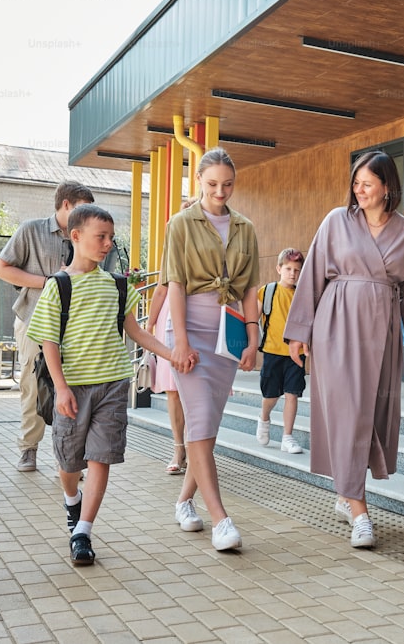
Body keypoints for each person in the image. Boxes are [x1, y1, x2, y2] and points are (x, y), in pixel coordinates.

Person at [284, 150, 404, 549]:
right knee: (349, 414)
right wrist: (299, 331)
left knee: (368, 416)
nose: (359, 191)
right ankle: (360, 513)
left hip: (382, 333)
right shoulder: (336, 221)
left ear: (388, 187)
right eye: (356, 183)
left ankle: (346, 490)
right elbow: (311, 277)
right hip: (335, 326)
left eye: (367, 184)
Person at [27, 204, 181, 565]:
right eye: (101, 237)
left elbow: (136, 331)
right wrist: (61, 388)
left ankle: (82, 532)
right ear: (76, 236)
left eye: (111, 238)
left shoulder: (117, 284)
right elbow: (48, 342)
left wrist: (172, 354)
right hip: (73, 388)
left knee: (101, 458)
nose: (108, 244)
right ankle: (71, 501)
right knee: (70, 462)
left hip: (113, 385)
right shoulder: (58, 286)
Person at [164, 147, 260, 551]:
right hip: (189, 329)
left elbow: (252, 288)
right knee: (200, 419)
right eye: (212, 184)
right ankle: (221, 520)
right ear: (198, 182)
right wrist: (180, 342)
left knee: (208, 428)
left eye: (227, 184)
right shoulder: (180, 224)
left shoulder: (246, 228)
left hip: (229, 333)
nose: (220, 192)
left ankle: (184, 501)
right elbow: (175, 284)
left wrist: (254, 337)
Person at [0, 181, 95, 471]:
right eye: (81, 208)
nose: (87, 215)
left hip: (75, 327)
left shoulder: (86, 235)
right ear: (66, 205)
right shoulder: (31, 229)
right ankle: (28, 449)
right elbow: (2, 268)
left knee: (74, 389)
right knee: (33, 386)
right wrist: (51, 281)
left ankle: (69, 458)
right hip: (34, 322)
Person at [146, 198, 196, 475]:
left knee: (198, 389)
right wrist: (151, 325)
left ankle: (196, 448)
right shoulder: (172, 251)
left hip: (201, 316)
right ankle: (178, 447)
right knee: (174, 390)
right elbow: (162, 289)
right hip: (170, 320)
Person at [255, 247, 306, 454]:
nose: (292, 273)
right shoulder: (267, 291)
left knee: (292, 394)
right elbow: (253, 320)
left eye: (296, 270)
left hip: (297, 354)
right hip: (272, 352)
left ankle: (287, 437)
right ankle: (264, 418)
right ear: (279, 268)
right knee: (271, 396)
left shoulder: (303, 296)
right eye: (288, 269)